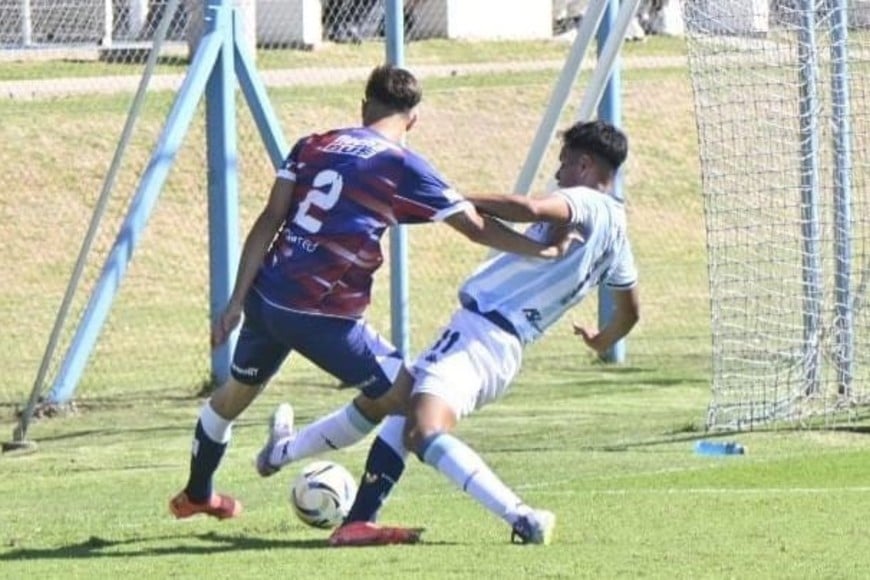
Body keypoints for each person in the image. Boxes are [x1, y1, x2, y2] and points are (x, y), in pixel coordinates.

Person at [168, 64, 569, 520]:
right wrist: (542, 251)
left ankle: (200, 491)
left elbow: (270, 218)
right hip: (325, 317)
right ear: (413, 119)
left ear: (363, 107)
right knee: (412, 400)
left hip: (268, 299)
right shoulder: (398, 164)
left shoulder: (313, 144)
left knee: (231, 399)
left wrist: (236, 300)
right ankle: (359, 519)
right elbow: (474, 228)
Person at [257, 120, 641, 546]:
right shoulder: (619, 231)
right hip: (502, 345)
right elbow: (631, 311)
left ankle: (524, 517)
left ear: (586, 165)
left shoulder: (585, 200)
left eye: (565, 163)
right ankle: (326, 492)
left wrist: (450, 200)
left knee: (422, 430)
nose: (558, 174)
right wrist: (602, 340)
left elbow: (530, 209)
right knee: (393, 400)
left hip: (481, 333)